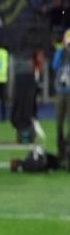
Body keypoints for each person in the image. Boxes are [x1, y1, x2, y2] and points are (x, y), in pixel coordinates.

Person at [53, 29, 70, 162]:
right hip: (60, 92)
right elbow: (54, 66)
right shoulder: (61, 53)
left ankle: (67, 151)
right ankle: (60, 153)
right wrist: (61, 51)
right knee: (59, 124)